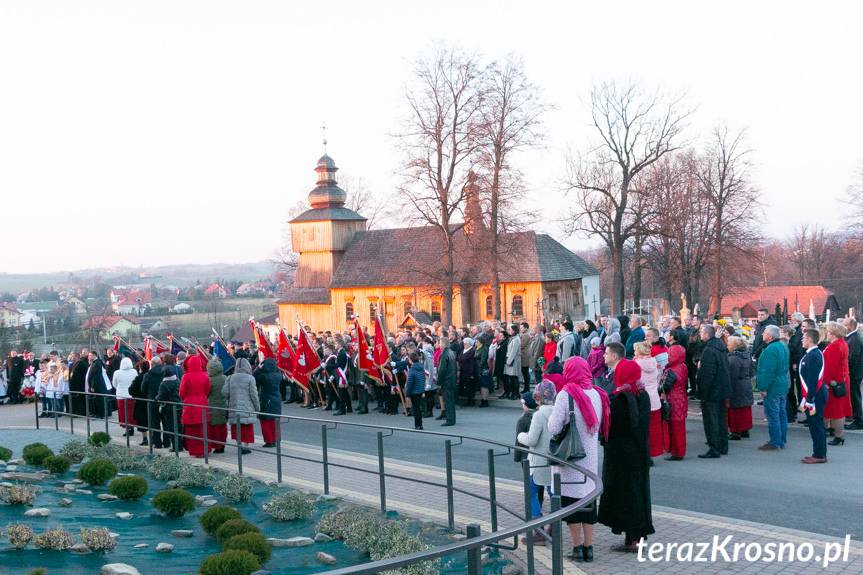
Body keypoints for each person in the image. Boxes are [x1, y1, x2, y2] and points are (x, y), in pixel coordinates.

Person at [548, 357, 607, 562]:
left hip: (571, 458)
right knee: (589, 503)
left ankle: (576, 547)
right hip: (589, 458)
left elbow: (554, 427)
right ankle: (589, 548)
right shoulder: (597, 394)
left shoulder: (566, 394)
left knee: (571, 504)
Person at [598, 358, 654, 553]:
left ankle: (630, 540)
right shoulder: (643, 394)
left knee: (623, 496)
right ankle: (635, 537)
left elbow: (610, 429)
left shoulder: (617, 398)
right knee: (638, 494)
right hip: (639, 452)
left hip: (619, 455)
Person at [516, 381, 556, 544]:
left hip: (539, 460)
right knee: (553, 492)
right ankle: (554, 524)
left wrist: (520, 436)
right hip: (554, 459)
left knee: (531, 492)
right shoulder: (558, 411)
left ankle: (538, 530)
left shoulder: (539, 414)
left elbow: (532, 439)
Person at [696, 325, 732, 458]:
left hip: (712, 391)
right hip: (722, 388)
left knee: (711, 421)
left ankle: (714, 448)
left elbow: (707, 374)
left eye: (701, 332)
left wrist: (702, 393)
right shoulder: (720, 347)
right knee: (721, 419)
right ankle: (723, 446)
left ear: (707, 334)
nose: (700, 334)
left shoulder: (709, 350)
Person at [756, 325, 790, 451]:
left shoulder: (771, 349)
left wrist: (763, 387)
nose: (762, 334)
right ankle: (781, 439)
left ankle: (775, 441)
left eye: (764, 333)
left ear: (770, 336)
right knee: (781, 413)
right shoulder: (783, 346)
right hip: (782, 384)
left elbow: (767, 371)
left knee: (773, 414)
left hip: (773, 386)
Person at [800, 329, 828, 464]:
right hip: (814, 394)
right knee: (815, 424)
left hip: (815, 395)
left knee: (816, 425)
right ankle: (818, 452)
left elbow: (812, 379)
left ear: (810, 339)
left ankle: (819, 455)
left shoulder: (813, 355)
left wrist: (809, 399)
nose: (802, 340)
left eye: (804, 338)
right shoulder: (813, 353)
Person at [222, 358, 260, 454]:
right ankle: (245, 446)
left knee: (237, 428)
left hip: (234, 407)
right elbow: (254, 395)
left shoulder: (230, 377)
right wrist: (257, 408)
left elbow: (224, 393)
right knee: (246, 428)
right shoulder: (250, 378)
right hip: (247, 408)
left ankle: (239, 445)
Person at [822, 322, 851, 446]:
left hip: (834, 383)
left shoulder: (835, 346)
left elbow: (830, 367)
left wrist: (826, 381)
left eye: (828, 332)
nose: (827, 334)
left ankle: (838, 436)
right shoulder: (842, 344)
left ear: (833, 333)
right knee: (839, 409)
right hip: (841, 380)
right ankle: (836, 433)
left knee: (836, 410)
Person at [633, 342, 662, 462]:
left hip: (642, 399)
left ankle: (642, 454)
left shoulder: (636, 364)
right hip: (654, 399)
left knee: (641, 429)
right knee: (653, 429)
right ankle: (650, 454)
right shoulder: (654, 362)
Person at [179, 355, 211, 458]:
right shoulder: (205, 375)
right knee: (203, 429)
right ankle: (204, 450)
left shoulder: (186, 376)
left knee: (191, 430)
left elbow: (182, 392)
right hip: (202, 403)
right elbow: (207, 390)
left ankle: (196, 451)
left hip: (190, 405)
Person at [663, 345, 688, 460]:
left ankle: (677, 452)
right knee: (680, 426)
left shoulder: (672, 370)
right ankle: (679, 450)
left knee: (674, 427)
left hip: (673, 399)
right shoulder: (683, 366)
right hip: (681, 397)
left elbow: (666, 387)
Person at [726, 336, 754, 440]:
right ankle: (745, 430)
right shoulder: (746, 355)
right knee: (745, 409)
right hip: (746, 384)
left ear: (734, 346)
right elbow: (751, 371)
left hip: (736, 385)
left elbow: (732, 375)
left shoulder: (734, 358)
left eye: (729, 343)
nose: (727, 345)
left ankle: (736, 432)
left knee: (735, 410)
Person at [255, 357, 282, 448]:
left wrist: (258, 368)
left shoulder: (264, 376)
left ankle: (269, 441)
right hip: (277, 399)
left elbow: (254, 377)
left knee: (265, 422)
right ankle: (276, 440)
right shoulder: (279, 374)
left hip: (266, 400)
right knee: (275, 422)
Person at [156, 358, 182, 451]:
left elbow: (160, 397)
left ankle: (175, 447)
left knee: (171, 428)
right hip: (179, 406)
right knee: (178, 427)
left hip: (169, 408)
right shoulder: (177, 380)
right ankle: (180, 446)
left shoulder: (164, 384)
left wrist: (156, 398)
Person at [843, 317, 863, 430]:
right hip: (854, 372)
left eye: (845, 325)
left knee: (855, 396)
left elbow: (852, 358)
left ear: (851, 326)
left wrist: (846, 371)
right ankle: (856, 417)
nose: (844, 327)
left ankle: (858, 420)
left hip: (855, 373)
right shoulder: (852, 338)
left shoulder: (854, 339)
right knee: (854, 396)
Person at [206, 356, 228, 453]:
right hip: (223, 405)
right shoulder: (225, 377)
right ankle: (222, 444)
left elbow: (207, 393)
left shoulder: (209, 380)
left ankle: (217, 446)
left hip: (212, 405)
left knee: (214, 427)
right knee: (222, 426)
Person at [786, 312, 806, 424]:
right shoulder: (796, 332)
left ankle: (799, 409)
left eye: (792, 320)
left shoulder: (798, 333)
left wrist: (794, 362)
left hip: (797, 362)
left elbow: (797, 348)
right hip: (795, 361)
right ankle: (797, 408)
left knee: (799, 387)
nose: (791, 322)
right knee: (796, 387)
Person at [142, 356, 165, 448]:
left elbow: (143, 389)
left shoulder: (148, 375)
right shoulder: (165, 373)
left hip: (152, 400)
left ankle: (157, 443)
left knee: (154, 423)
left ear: (152, 364)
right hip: (164, 400)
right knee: (166, 423)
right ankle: (167, 442)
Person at [112, 357, 138, 436]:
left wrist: (119, 388)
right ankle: (132, 428)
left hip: (121, 395)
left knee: (123, 413)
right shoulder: (134, 371)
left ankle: (127, 429)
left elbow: (114, 384)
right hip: (131, 395)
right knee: (131, 412)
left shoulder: (117, 372)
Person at [128, 361, 150, 445]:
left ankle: (145, 438)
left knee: (142, 421)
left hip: (140, 402)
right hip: (150, 400)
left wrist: (135, 395)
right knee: (151, 421)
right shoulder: (150, 376)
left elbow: (131, 390)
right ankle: (153, 439)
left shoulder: (138, 378)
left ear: (140, 368)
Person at [437, 336, 457, 426]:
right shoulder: (451, 352)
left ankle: (450, 420)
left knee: (448, 401)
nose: (439, 345)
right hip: (451, 379)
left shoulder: (444, 354)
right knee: (451, 400)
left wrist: (439, 382)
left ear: (443, 344)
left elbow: (442, 370)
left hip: (446, 380)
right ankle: (452, 418)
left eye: (440, 343)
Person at [405, 351, 426, 430]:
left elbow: (410, 382)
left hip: (414, 391)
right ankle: (420, 424)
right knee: (418, 408)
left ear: (411, 359)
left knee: (416, 409)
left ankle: (418, 425)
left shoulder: (412, 369)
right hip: (420, 390)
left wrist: (407, 393)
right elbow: (423, 379)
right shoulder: (421, 367)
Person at [504, 324, 522, 400]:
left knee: (514, 378)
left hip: (513, 361)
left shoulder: (516, 339)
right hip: (510, 360)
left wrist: (508, 361)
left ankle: (516, 394)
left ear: (514, 330)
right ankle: (514, 393)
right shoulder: (512, 338)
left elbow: (513, 352)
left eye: (510, 330)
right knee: (511, 378)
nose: (509, 331)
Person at [457, 337, 477, 406]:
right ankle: (468, 400)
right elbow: (459, 357)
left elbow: (472, 363)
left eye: (465, 343)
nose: (464, 344)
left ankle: (471, 401)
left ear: (469, 344)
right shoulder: (463, 350)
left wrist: (471, 373)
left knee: (470, 386)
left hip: (468, 371)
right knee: (466, 385)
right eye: (464, 343)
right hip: (462, 370)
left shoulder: (472, 350)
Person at [520, 322, 534, 393]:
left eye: (522, 327)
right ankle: (526, 388)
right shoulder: (525, 334)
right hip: (525, 355)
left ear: (525, 328)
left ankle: (526, 388)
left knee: (525, 373)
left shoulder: (525, 335)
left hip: (524, 356)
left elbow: (521, 345)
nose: (520, 329)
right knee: (525, 373)